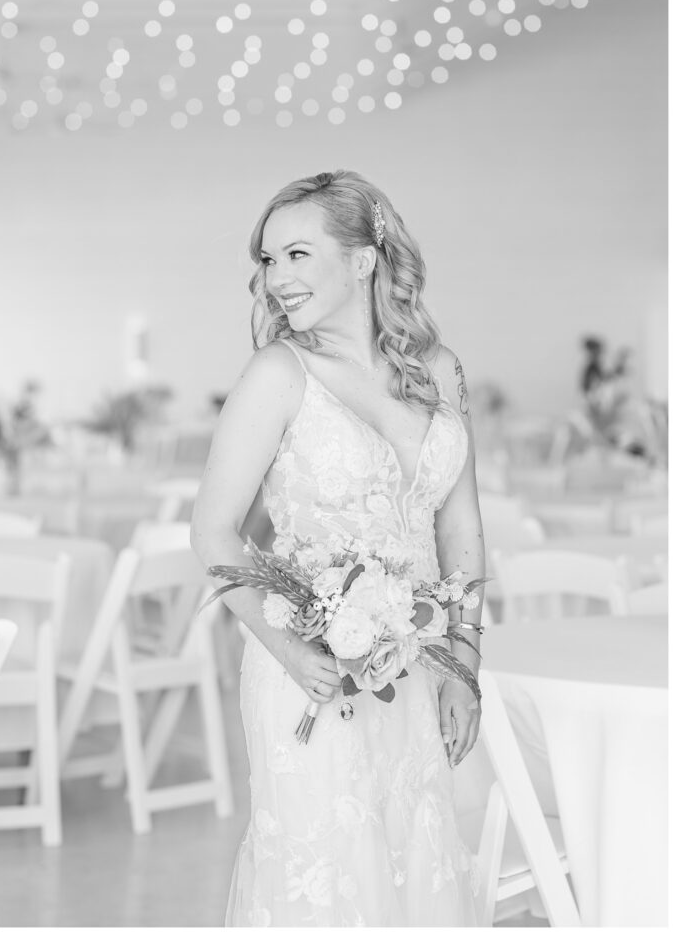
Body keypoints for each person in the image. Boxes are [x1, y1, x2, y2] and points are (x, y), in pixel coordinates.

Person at [191, 170, 485, 927]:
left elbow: (459, 531)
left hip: (415, 670)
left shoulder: (439, 371)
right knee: (325, 876)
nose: (275, 278)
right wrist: (292, 654)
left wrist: (465, 665)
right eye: (266, 260)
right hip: (308, 676)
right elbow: (214, 532)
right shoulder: (277, 375)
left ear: (362, 259)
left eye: (295, 254)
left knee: (413, 857)